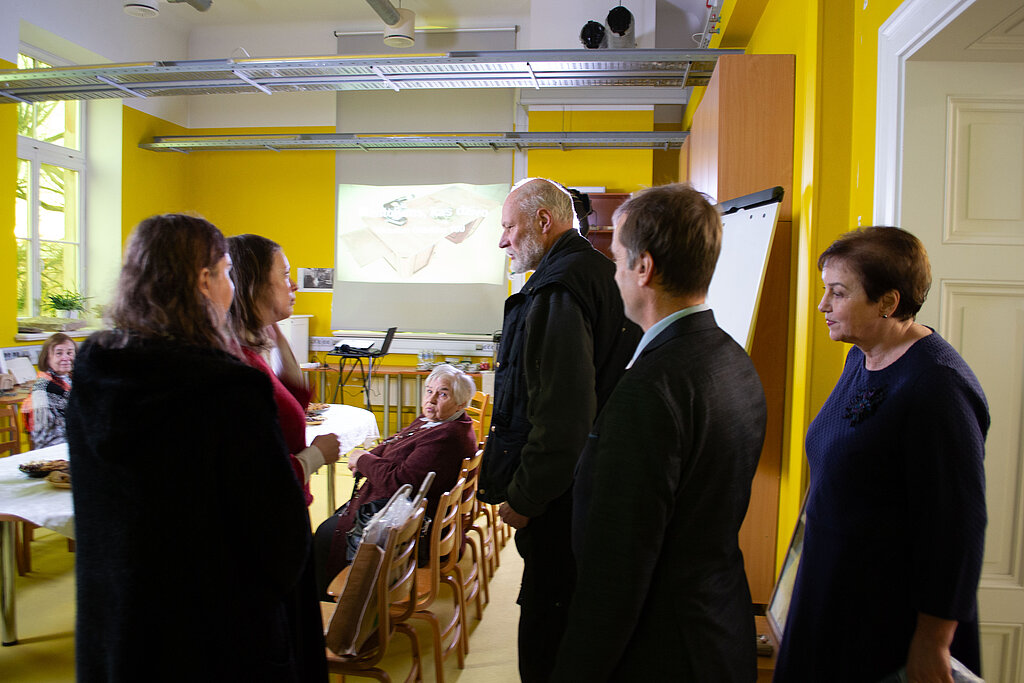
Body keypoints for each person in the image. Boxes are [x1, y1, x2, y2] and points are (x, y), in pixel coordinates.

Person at [66, 214, 326, 682]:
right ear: (205, 281)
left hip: (120, 617)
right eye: (227, 272)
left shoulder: (93, 367)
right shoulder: (226, 388)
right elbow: (280, 540)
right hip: (212, 630)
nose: (232, 286)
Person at [551, 183, 768, 680]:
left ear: (644, 268)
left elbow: (617, 568)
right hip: (719, 627)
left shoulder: (649, 390)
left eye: (617, 259)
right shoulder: (732, 358)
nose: (614, 273)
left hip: (663, 647)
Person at [773, 227, 988, 682]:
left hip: (887, 623)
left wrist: (933, 642)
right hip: (833, 594)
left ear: (888, 302)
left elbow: (957, 528)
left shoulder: (938, 386)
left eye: (838, 293)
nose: (823, 305)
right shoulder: (862, 355)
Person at [477, 177, 640, 682]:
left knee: (548, 636)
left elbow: (562, 415)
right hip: (589, 488)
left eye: (509, 227)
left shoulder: (558, 287)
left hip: (560, 501)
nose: (502, 241)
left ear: (543, 221)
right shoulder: (596, 271)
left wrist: (526, 497)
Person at [313, 363, 477, 598]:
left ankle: (335, 605)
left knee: (326, 534)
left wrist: (363, 460)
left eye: (443, 394)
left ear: (461, 403)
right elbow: (397, 440)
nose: (431, 400)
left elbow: (400, 482)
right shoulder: (440, 421)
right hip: (407, 508)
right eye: (429, 391)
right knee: (335, 521)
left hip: (414, 527)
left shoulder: (445, 437)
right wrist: (370, 456)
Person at [227, 234, 341, 505]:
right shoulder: (237, 367)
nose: (294, 285)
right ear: (255, 285)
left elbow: (291, 405)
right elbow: (258, 475)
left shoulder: (252, 354)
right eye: (286, 275)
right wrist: (316, 455)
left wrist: (274, 331)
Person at [23, 332, 76, 448]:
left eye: (69, 353)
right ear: (47, 358)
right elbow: (45, 437)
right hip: (56, 448)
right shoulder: (42, 390)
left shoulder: (74, 380)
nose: (66, 358)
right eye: (59, 353)